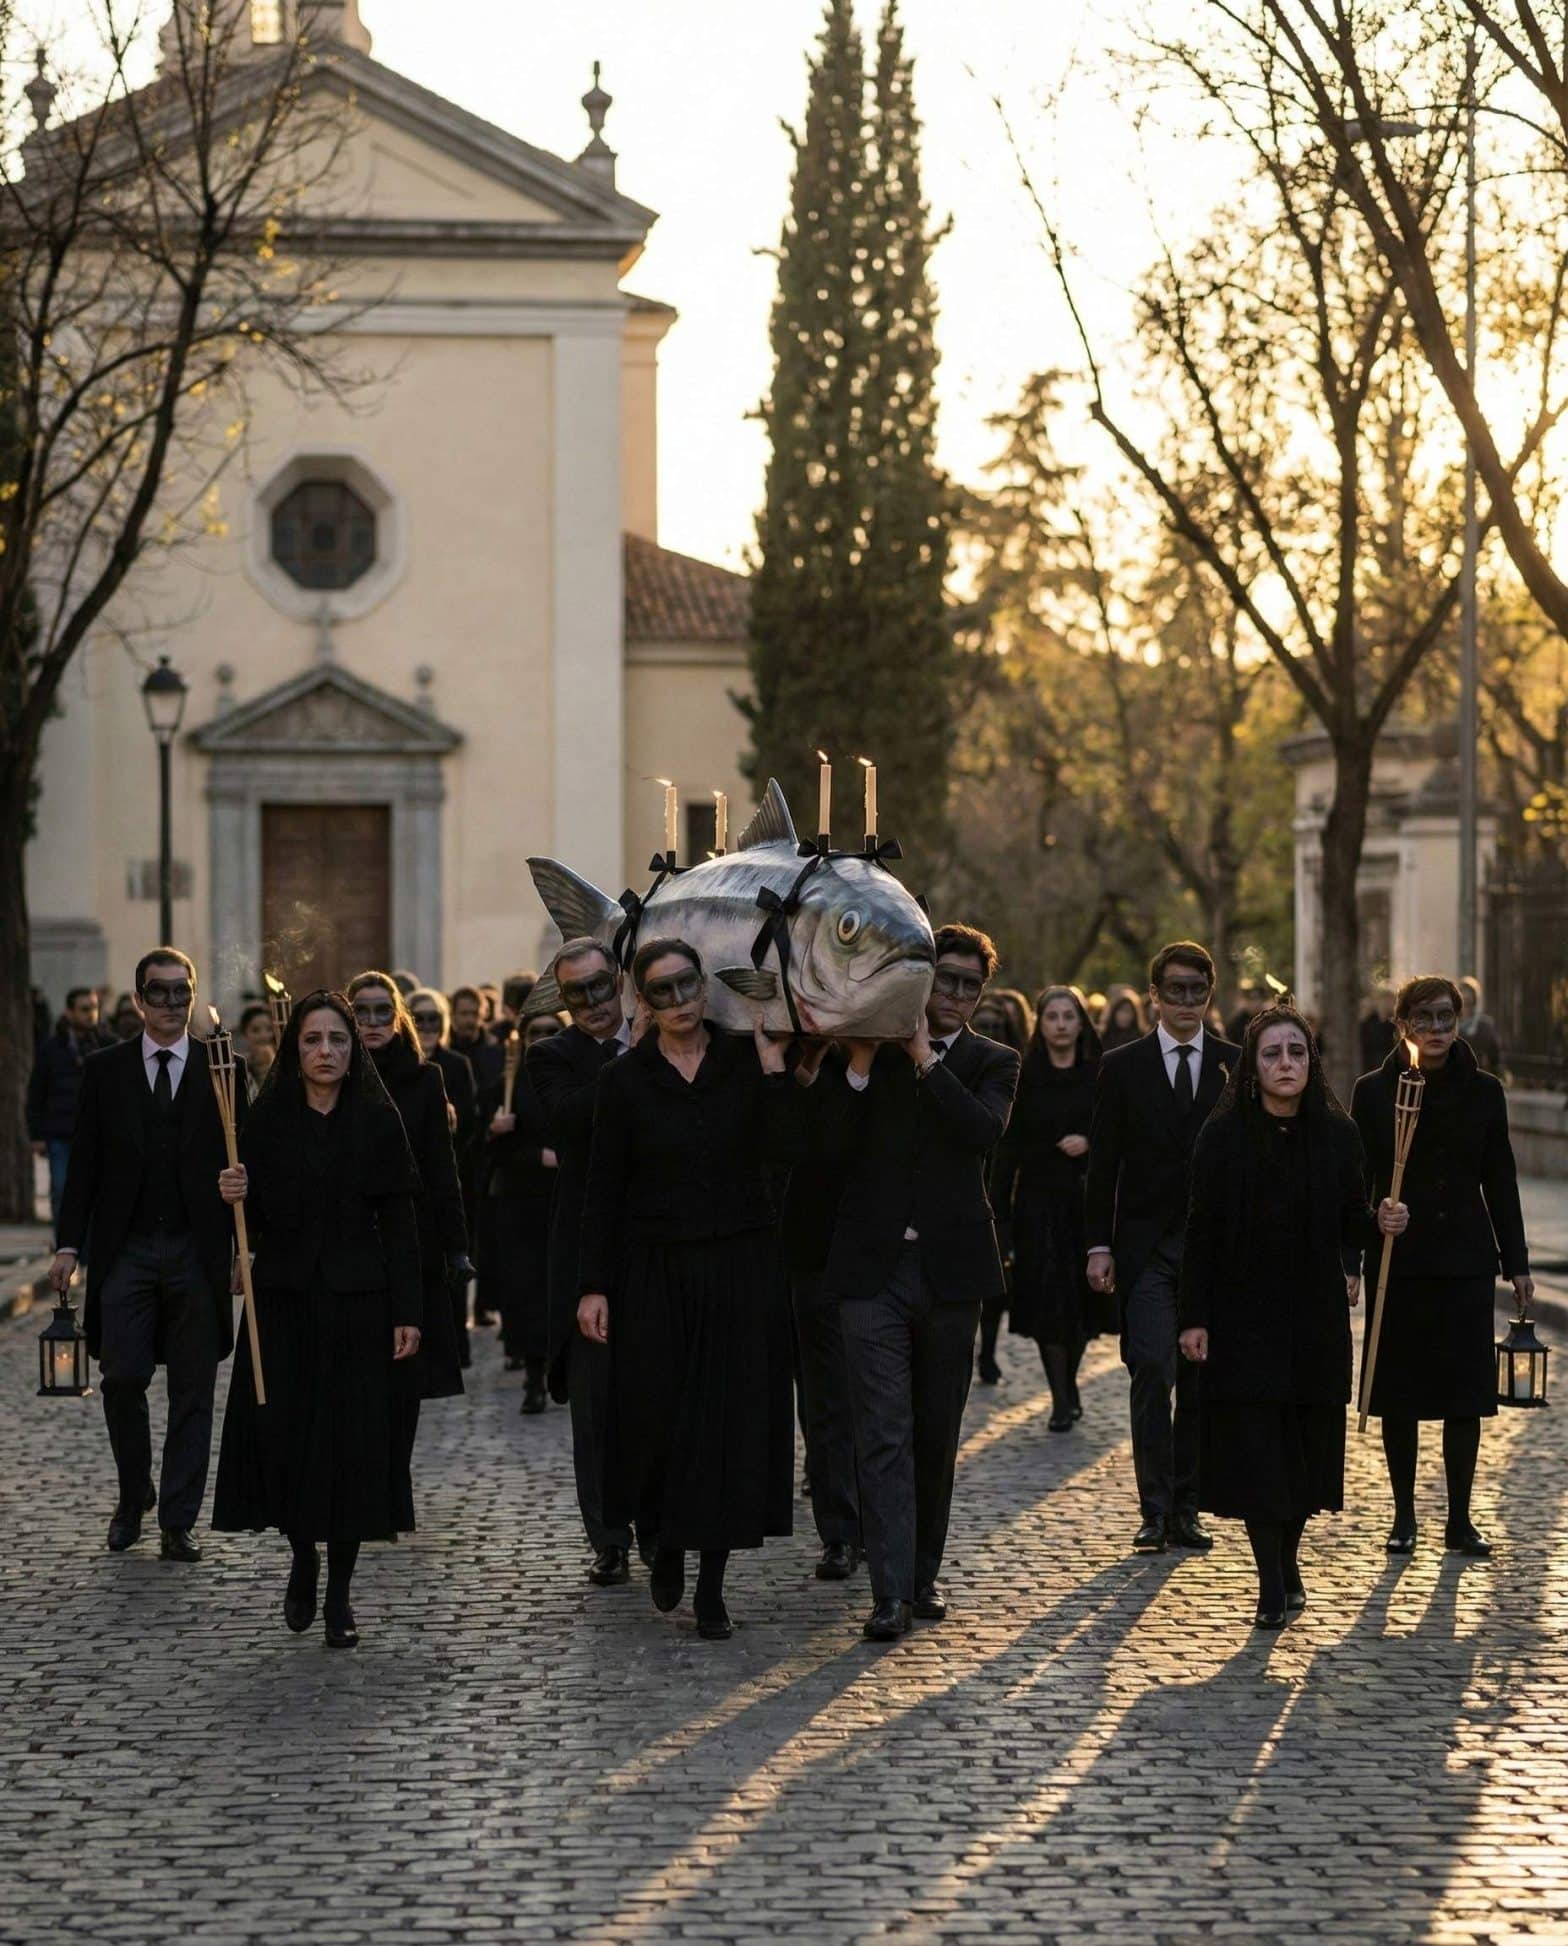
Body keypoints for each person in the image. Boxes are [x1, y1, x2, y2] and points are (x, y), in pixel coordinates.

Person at [577, 939, 805, 1640]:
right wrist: (594, 1286)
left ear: (705, 990)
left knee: (728, 1428)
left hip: (740, 1268)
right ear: (641, 1002)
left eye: (686, 987)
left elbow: (787, 1156)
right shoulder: (625, 1081)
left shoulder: (744, 1061)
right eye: (661, 993)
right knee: (656, 1418)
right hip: (654, 1271)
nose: (677, 1003)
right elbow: (602, 1191)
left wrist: (773, 1074)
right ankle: (663, 1540)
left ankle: (712, 1583)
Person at [810, 923, 1021, 1642]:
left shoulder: (995, 1062)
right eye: (947, 980)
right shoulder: (867, 1053)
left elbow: (981, 1134)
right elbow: (827, 1151)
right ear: (924, 981)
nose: (957, 995)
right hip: (871, 1273)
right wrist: (863, 1065)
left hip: (951, 1273)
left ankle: (923, 1573)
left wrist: (927, 1059)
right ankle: (890, 1593)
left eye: (971, 985)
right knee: (882, 1434)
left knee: (936, 1432)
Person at [1178, 1004, 1405, 1626]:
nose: (1286, 1063)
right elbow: (1198, 1233)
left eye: (1297, 1052)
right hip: (1242, 1315)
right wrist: (1193, 1317)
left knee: (1305, 1448)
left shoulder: (1338, 1135)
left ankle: (1290, 1557)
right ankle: (1271, 1582)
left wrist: (1380, 1220)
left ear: (1312, 1061)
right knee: (1258, 1449)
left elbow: (1350, 1220)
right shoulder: (1222, 1138)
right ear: (1252, 1066)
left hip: (1313, 1315)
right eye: (1272, 1053)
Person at [212, 991, 423, 1647]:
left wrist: (408, 1311)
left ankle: (339, 1595)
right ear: (295, 1049)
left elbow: (401, 1224)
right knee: (295, 1442)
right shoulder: (265, 1122)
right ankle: (303, 1557)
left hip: (360, 1305)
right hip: (285, 1305)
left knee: (353, 1449)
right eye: (312, 1040)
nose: (326, 1051)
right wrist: (234, 1200)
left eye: (337, 1039)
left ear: (352, 1048)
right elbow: (252, 1224)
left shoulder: (378, 1121)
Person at [49, 949, 241, 1561]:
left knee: (194, 1388)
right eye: (156, 994)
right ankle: (134, 1496)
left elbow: (250, 1156)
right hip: (126, 1246)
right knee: (121, 1377)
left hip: (196, 1248)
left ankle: (178, 1519)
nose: (169, 1005)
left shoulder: (224, 1068)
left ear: (191, 996)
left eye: (180, 993)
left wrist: (245, 1242)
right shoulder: (105, 1072)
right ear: (137, 1001)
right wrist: (68, 1243)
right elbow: (83, 1165)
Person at [1352, 975, 1532, 1557]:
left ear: (1459, 1022)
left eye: (1445, 1018)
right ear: (1402, 1024)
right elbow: (1358, 1181)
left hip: (1462, 1260)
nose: (1435, 1029)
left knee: (1463, 1396)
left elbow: (1499, 1180)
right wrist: (1370, 1225)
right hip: (1398, 1261)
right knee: (1399, 1394)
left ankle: (1459, 1517)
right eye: (1423, 1018)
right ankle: (1404, 1516)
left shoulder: (1484, 1092)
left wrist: (1518, 1262)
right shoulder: (1373, 1092)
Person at [1085, 940, 1240, 1556]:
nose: (1184, 1001)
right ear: (1153, 995)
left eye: (1196, 991)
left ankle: (1186, 1507)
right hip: (1146, 1249)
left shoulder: (1236, 1063)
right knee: (1151, 1368)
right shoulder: (1123, 1067)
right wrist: (1099, 1245)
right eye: (1172, 989)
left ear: (1209, 994)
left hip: (1215, 1250)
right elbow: (1104, 1165)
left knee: (1199, 1380)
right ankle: (1152, 1509)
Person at [527, 937, 638, 1585]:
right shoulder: (551, 1056)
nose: (595, 1004)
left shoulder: (666, 1042)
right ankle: (608, 1538)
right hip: (582, 1250)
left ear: (620, 980)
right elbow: (570, 1120)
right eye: (578, 994)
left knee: (652, 1393)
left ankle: (656, 1522)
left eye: (602, 987)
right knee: (593, 1406)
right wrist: (638, 1057)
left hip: (654, 1245)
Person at [346, 972, 469, 1503]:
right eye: (361, 1012)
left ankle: (394, 1477)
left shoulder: (425, 1079)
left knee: (404, 1372)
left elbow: (444, 1169)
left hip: (412, 1242)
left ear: (397, 1018)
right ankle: (364, 1473)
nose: (371, 1022)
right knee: (355, 1372)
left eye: (380, 1011)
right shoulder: (334, 1073)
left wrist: (457, 1246)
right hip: (349, 1242)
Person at [997, 986, 1114, 1431]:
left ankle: (1069, 1381)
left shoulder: (1100, 1074)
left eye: (1069, 1016)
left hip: (1085, 1205)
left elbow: (1120, 1136)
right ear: (1040, 1024)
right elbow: (1008, 1148)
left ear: (1081, 1022)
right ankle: (1061, 1398)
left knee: (1081, 1306)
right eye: (1053, 1017)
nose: (1062, 1024)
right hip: (1038, 1205)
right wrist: (1001, 1214)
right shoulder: (1024, 1075)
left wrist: (1090, 1143)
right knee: (1049, 1303)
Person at [483, 1009, 564, 1409]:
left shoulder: (574, 1079)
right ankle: (534, 1376)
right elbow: (491, 1153)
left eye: (553, 1031)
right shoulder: (509, 1086)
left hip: (563, 1199)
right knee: (526, 1290)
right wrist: (499, 1134)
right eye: (536, 1032)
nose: (544, 1038)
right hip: (521, 1201)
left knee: (559, 1287)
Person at [971, 989, 1034, 1386]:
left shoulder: (1013, 1068)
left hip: (1005, 1184)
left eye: (999, 1026)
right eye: (986, 1025)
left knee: (997, 1281)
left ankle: (989, 1349)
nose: (992, 1030)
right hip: (973, 1176)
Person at [29, 986, 115, 1228]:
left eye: (94, 1008)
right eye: (84, 1009)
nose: (91, 1014)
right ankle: (66, 1250)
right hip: (61, 1133)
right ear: (69, 1012)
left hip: (100, 1133)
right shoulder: (51, 1049)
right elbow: (36, 1092)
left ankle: (90, 1253)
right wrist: (36, 1135)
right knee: (62, 1191)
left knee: (98, 1194)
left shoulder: (109, 1044)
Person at [1458, 975, 1504, 1076]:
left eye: (1469, 998)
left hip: (1479, 1073)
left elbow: (1494, 1055)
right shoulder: (1452, 1025)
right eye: (1463, 998)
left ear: (1474, 999)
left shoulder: (1485, 1025)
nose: (1466, 999)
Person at [238, 1002, 277, 1092]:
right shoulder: (241, 1064)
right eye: (256, 1030)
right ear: (245, 1033)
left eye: (269, 1029)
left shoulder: (284, 1059)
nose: (263, 1036)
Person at [1097, 986, 1147, 1054]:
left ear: (1134, 1015)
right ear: (1114, 1012)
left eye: (1128, 1011)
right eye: (1121, 1011)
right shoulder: (1104, 1035)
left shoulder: (1140, 1039)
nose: (1124, 1016)